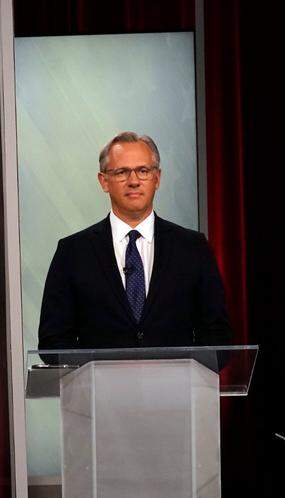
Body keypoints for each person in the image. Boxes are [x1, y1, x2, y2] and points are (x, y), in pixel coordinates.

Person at [37, 131, 232, 350]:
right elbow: (53, 340)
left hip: (173, 383)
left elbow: (217, 334)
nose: (134, 181)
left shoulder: (192, 247)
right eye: (122, 172)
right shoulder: (72, 252)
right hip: (101, 384)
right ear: (104, 181)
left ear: (157, 178)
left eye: (143, 171)